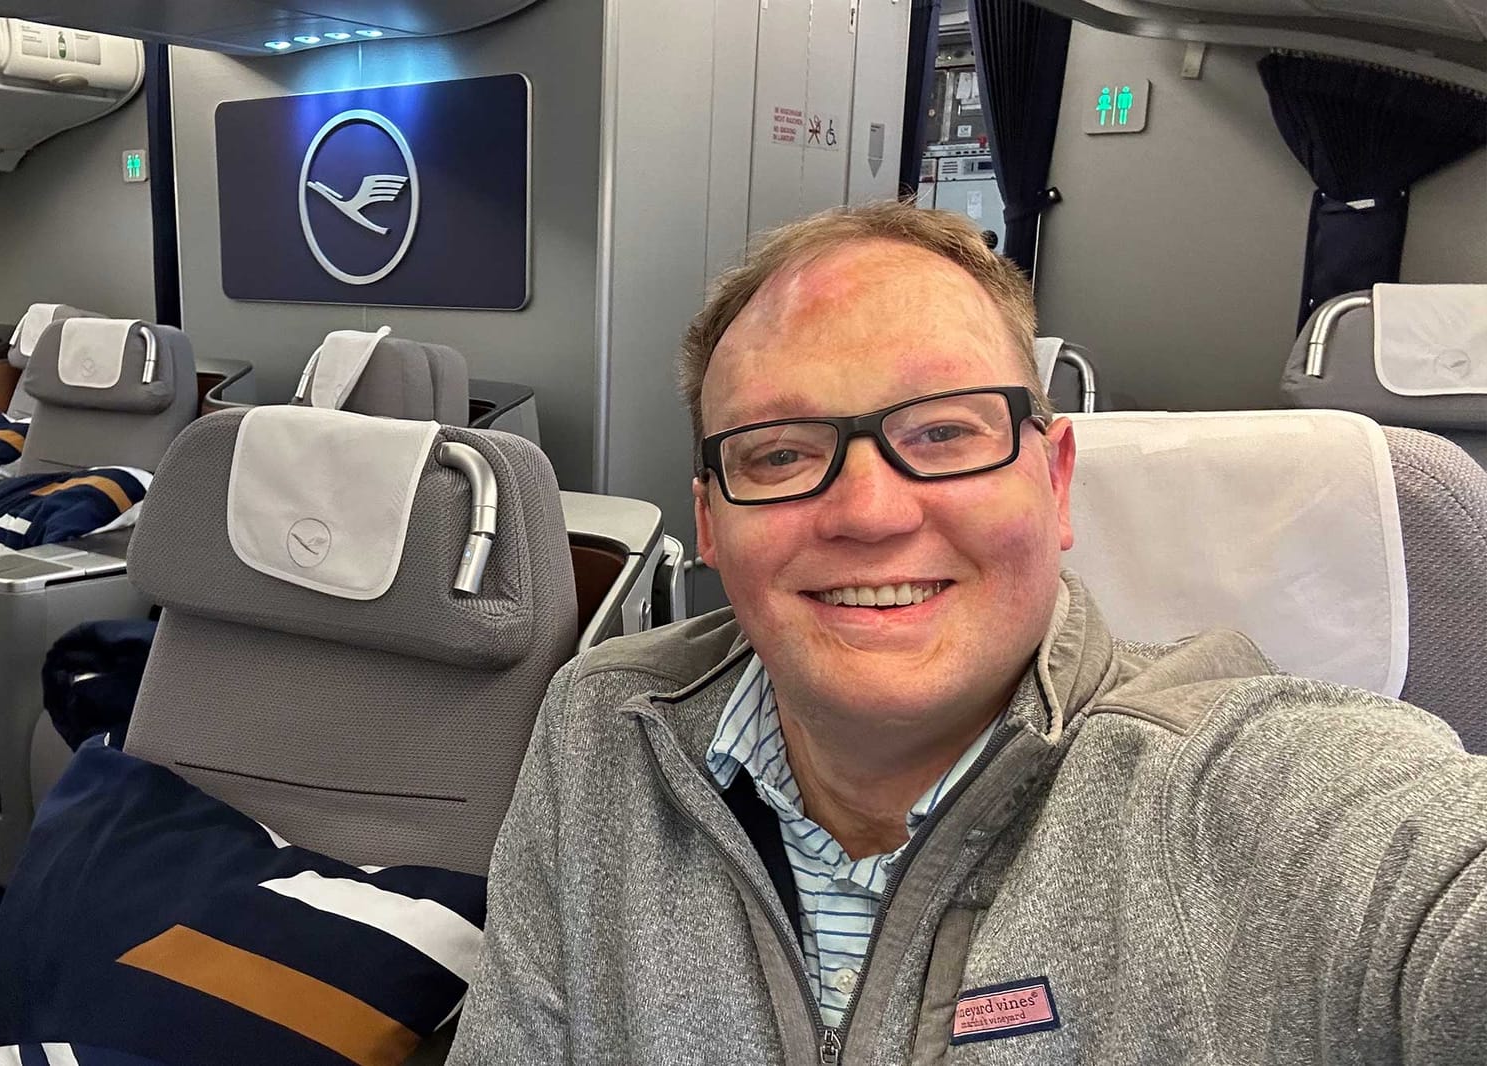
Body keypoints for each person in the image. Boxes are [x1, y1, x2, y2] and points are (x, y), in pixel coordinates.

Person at [448, 200, 1487, 1064]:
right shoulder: (601, 729)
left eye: (942, 432)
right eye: (775, 452)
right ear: (711, 523)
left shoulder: (1247, 789)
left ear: (1055, 479)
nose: (869, 512)